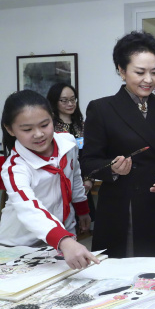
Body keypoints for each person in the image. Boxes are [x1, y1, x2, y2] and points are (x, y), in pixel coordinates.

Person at [81, 31, 155, 259]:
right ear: (121, 70)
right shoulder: (102, 109)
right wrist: (112, 168)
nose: (149, 79)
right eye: (140, 72)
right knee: (123, 271)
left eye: (154, 72)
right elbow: (88, 162)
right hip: (123, 206)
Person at [0, 90, 98, 270]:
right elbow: (29, 208)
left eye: (44, 125)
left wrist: (82, 209)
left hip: (61, 233)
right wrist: (63, 240)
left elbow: (74, 176)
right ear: (10, 129)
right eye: (27, 129)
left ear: (52, 118)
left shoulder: (67, 143)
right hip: (21, 243)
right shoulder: (15, 168)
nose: (38, 134)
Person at [46, 82, 95, 222]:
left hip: (82, 182)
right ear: (54, 102)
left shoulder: (83, 125)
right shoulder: (49, 127)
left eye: (73, 99)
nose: (70, 104)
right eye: (64, 100)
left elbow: (90, 155)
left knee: (83, 221)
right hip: (58, 183)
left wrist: (89, 180)